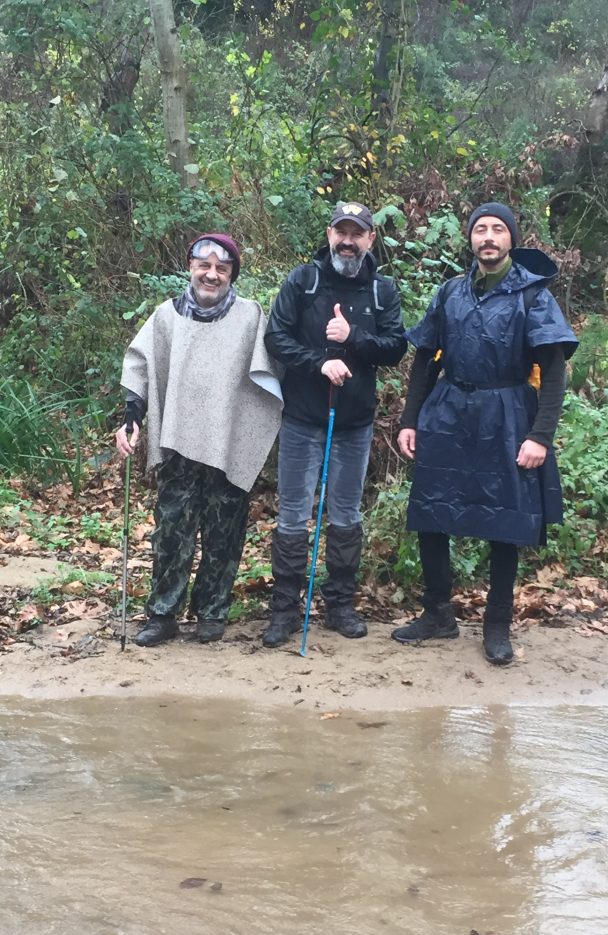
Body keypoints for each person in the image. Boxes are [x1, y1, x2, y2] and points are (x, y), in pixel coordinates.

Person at [392, 202, 578, 665]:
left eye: (498, 229)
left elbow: (553, 373)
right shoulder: (450, 291)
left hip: (509, 415)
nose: (489, 237)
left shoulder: (532, 295)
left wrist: (540, 435)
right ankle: (438, 615)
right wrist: (410, 419)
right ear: (470, 239)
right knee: (433, 513)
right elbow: (424, 359)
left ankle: (497, 625)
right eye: (481, 229)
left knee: (504, 522)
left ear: (512, 239)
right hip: (448, 411)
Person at [115, 234, 283, 647]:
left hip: (229, 440)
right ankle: (163, 613)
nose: (211, 275)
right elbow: (140, 367)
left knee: (225, 532)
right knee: (172, 530)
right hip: (177, 441)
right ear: (190, 267)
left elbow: (270, 372)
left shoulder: (249, 316)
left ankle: (212, 612)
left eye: (221, 269)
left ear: (231, 274)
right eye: (203, 266)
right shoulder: (166, 317)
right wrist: (132, 417)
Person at [262, 201, 406, 647]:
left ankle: (340, 604)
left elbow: (396, 347)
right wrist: (320, 362)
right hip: (303, 418)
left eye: (356, 233)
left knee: (345, 515)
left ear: (370, 239)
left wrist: (353, 340)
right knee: (292, 516)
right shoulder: (302, 282)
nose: (348, 241)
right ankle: (284, 609)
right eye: (340, 232)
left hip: (355, 423)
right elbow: (275, 337)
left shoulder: (384, 290)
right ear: (329, 234)